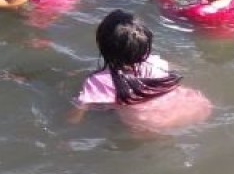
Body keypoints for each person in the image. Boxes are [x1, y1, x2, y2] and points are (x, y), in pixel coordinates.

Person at [69, 10, 213, 132]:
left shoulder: (98, 81)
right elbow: (179, 70)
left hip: (149, 123)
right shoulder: (157, 62)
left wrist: (70, 122)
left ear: (103, 47)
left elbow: (78, 113)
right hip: (195, 106)